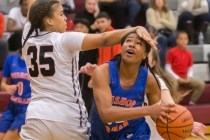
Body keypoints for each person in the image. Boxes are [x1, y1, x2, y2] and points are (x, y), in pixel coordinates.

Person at [20, 0, 157, 139]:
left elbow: (33, 8)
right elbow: (104, 39)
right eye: (61, 14)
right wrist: (135, 29)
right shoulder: (65, 40)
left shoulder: (27, 37)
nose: (65, 18)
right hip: (67, 118)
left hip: (36, 116)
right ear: (49, 20)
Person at [80, 47, 207, 140]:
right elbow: (95, 85)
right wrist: (98, 73)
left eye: (145, 55)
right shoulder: (116, 75)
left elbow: (171, 109)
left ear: (152, 63)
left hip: (154, 136)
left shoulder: (154, 80)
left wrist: (188, 124)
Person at [81, 32, 176, 139]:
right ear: (121, 48)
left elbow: (160, 115)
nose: (131, 44)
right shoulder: (103, 72)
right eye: (128, 41)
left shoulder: (149, 80)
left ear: (145, 54)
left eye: (138, 43)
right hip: (101, 134)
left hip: (134, 133)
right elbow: (106, 114)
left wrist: (182, 126)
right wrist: (149, 110)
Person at [0, 43, 31, 140]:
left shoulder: (36, 63)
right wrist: (6, 87)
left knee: (8, 138)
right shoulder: (11, 59)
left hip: (26, 109)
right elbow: (2, 85)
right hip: (11, 107)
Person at [165, 31, 205, 105]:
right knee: (173, 85)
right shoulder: (171, 52)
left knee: (200, 84)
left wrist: (189, 77)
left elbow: (190, 68)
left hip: (185, 78)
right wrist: (177, 78)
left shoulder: (189, 53)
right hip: (175, 79)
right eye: (181, 39)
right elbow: (168, 68)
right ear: (177, 40)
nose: (183, 41)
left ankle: (192, 103)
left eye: (185, 39)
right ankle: (173, 104)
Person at [73, 18, 98, 116]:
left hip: (88, 80)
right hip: (74, 79)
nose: (78, 29)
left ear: (87, 30)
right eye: (77, 27)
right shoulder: (71, 45)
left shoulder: (93, 45)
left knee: (88, 105)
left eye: (81, 27)